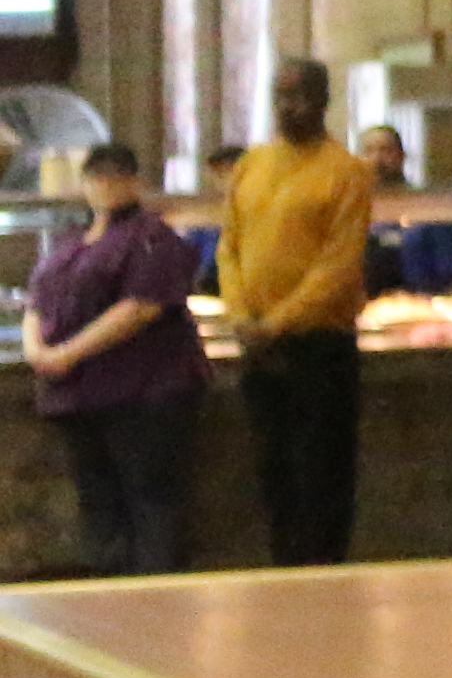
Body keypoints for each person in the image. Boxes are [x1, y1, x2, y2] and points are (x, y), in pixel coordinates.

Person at [220, 57, 374, 567]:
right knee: (274, 472)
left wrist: (276, 323)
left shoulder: (346, 171)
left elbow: (338, 263)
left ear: (324, 100)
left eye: (302, 96)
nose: (291, 107)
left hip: (317, 345)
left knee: (322, 476)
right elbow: (229, 248)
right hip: (258, 343)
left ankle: (323, 578)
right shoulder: (251, 164)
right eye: (282, 96)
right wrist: (240, 313)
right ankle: (283, 572)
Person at [26, 144, 209, 573]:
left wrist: (68, 353)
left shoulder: (152, 238)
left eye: (116, 176)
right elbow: (39, 300)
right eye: (97, 176)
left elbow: (140, 307)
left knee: (151, 502)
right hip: (80, 397)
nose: (106, 186)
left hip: (145, 391)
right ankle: (108, 595)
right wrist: (38, 351)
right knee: (100, 505)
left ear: (136, 181)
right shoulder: (71, 242)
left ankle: (155, 599)